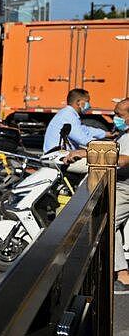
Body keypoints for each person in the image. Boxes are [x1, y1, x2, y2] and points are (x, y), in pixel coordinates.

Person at [63, 97, 129, 293]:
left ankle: (122, 275)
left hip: (125, 189)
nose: (114, 117)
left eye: (119, 114)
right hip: (118, 184)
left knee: (105, 224)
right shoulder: (123, 132)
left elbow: (125, 160)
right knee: (106, 222)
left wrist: (87, 153)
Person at [43, 89, 113, 160]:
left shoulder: (68, 113)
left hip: (61, 154)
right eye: (87, 102)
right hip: (57, 158)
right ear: (78, 102)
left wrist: (106, 134)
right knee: (101, 160)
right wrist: (106, 146)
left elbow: (85, 130)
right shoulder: (68, 115)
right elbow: (82, 139)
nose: (89, 105)